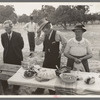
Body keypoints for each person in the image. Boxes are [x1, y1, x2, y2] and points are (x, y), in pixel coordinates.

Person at [32, 18, 67, 95]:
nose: (44, 31)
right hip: (47, 57)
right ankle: (40, 89)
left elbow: (65, 42)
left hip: (55, 58)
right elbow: (37, 43)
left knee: (54, 74)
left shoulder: (58, 33)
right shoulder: (44, 34)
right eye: (43, 30)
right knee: (43, 72)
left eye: (45, 29)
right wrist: (37, 35)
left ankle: (52, 91)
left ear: (49, 27)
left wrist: (61, 51)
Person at [1, 20, 24, 94]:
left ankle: (16, 88)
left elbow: (21, 46)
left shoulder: (18, 35)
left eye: (7, 27)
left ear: (11, 27)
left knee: (17, 73)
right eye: (4, 28)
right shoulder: (3, 35)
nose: (5, 29)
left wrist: (15, 51)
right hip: (7, 57)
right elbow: (4, 45)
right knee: (4, 73)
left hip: (16, 57)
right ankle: (6, 87)